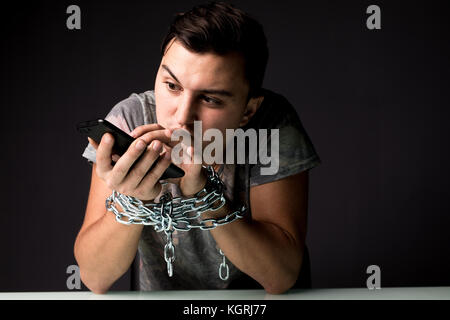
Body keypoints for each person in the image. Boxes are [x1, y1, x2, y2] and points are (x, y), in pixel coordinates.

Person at [75, 1, 321, 294]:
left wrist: (203, 195)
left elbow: (280, 276)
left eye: (211, 99)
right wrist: (133, 199)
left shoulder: (272, 126)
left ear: (248, 111)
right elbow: (94, 277)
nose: (181, 116)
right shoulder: (131, 119)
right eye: (171, 86)